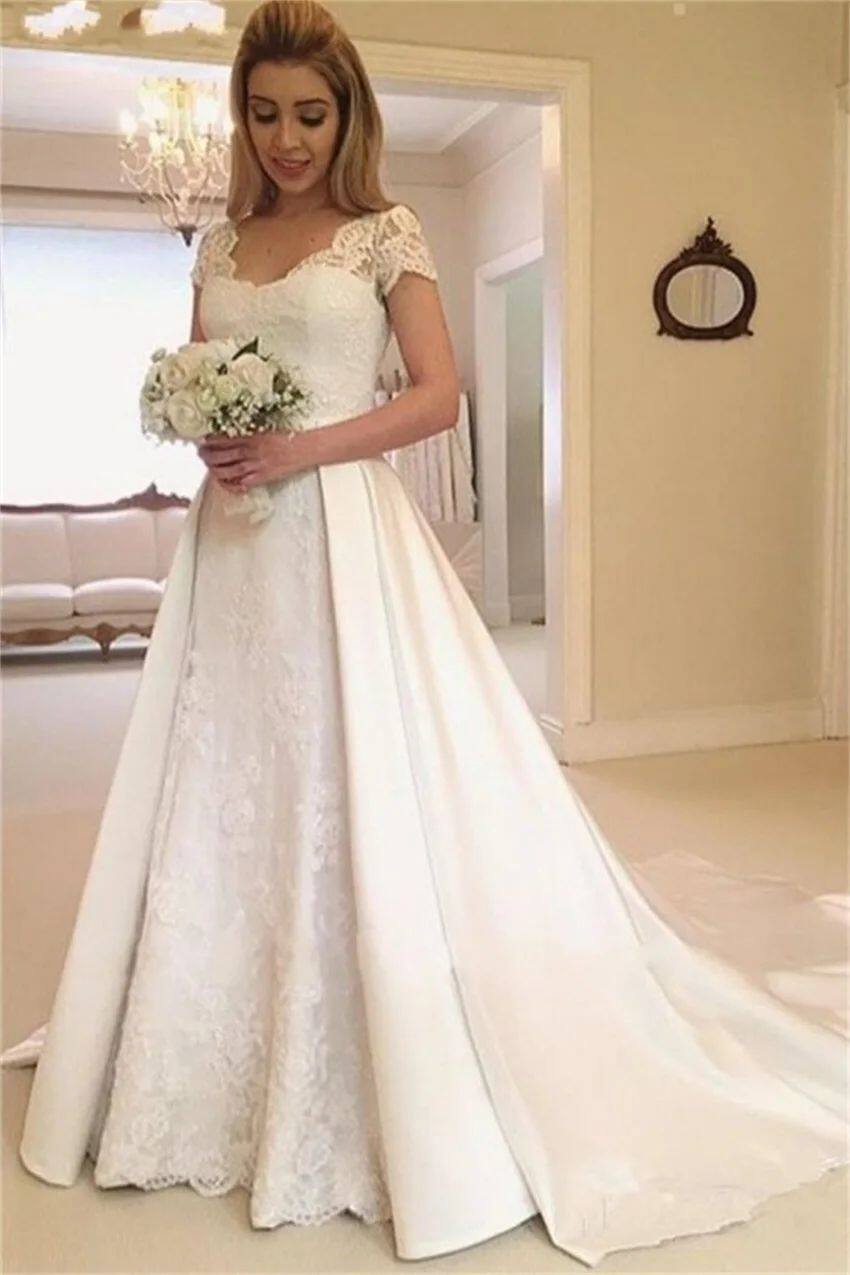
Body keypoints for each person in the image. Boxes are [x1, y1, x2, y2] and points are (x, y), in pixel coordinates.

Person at [3, 0, 848, 1265]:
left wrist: (301, 448)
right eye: (265, 113)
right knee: (228, 775)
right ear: (242, 115)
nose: (288, 138)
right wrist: (213, 434)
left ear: (348, 115)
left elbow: (438, 396)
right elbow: (203, 375)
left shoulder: (385, 233)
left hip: (343, 527)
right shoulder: (219, 242)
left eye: (311, 113)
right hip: (232, 549)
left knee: (366, 769)